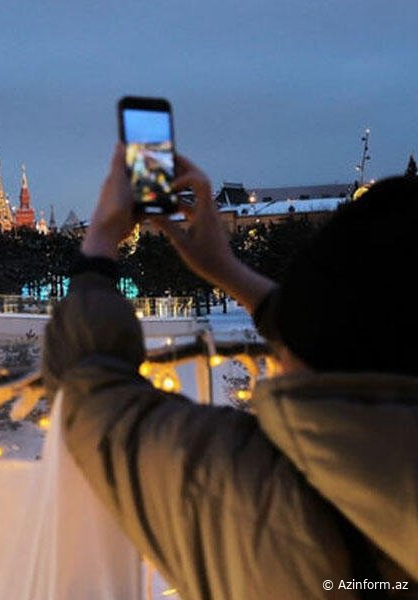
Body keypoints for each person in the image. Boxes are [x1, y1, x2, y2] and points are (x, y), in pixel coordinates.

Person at [42, 145, 418, 599]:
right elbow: (364, 326)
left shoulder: (258, 504)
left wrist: (100, 241)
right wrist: (228, 270)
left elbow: (88, 384)